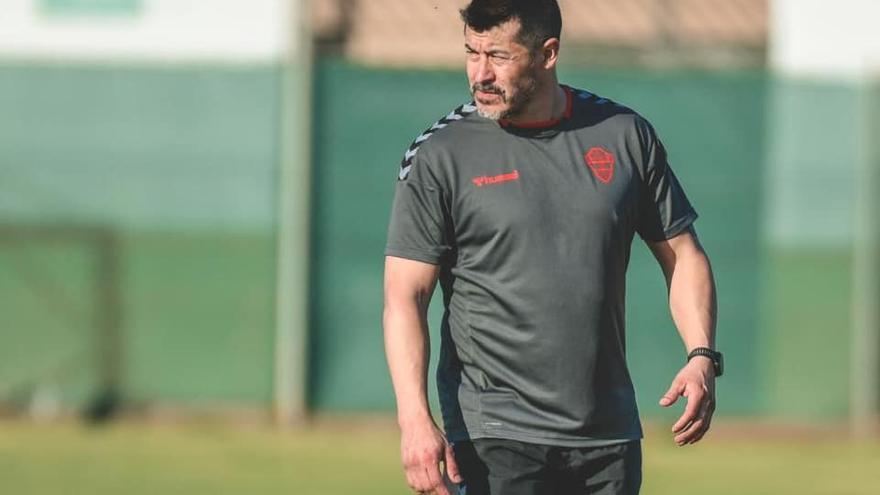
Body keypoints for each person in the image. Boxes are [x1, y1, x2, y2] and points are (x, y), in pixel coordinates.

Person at [382, 1, 721, 494]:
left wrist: (701, 354)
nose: (480, 73)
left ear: (548, 53)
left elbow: (683, 254)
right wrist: (414, 420)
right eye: (471, 53)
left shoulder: (625, 136)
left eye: (499, 55)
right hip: (493, 433)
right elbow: (404, 297)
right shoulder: (440, 154)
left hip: (608, 437)